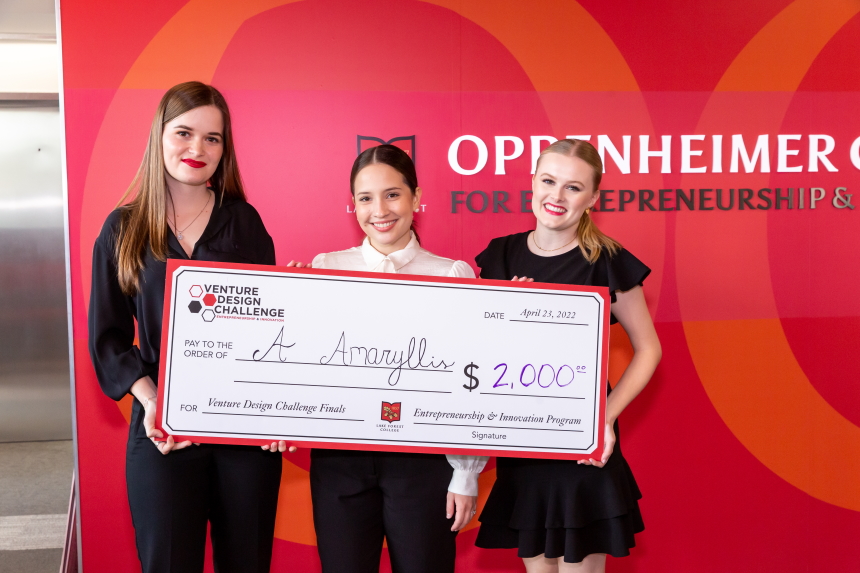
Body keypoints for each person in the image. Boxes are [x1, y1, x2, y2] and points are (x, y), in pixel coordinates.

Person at [88, 81, 283, 573]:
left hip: (245, 431)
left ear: (224, 148)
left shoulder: (245, 223)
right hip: (163, 430)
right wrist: (153, 401)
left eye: (212, 138)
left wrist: (281, 409)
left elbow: (272, 330)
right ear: (159, 135)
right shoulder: (122, 228)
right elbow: (108, 338)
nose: (198, 148)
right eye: (184, 133)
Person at [473, 139, 662, 573]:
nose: (556, 196)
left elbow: (649, 348)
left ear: (593, 197)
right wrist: (505, 315)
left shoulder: (607, 260)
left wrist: (604, 419)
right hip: (522, 442)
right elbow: (479, 353)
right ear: (532, 182)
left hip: (581, 445)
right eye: (548, 181)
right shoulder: (500, 255)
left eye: (573, 187)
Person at [298, 144, 488, 573]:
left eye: (393, 194)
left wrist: (466, 473)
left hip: (422, 463)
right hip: (340, 459)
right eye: (365, 198)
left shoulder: (451, 274)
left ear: (416, 198)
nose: (379, 210)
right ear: (353, 205)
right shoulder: (325, 268)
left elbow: (467, 385)